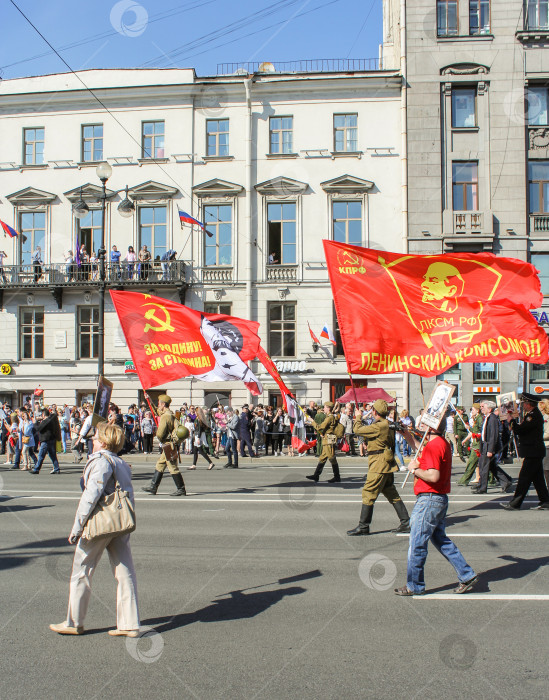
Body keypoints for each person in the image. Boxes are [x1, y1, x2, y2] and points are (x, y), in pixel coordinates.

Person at [49, 421, 139, 637]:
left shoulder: (101, 461)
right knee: (124, 571)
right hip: (120, 522)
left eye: (96, 436)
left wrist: (77, 527)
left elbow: (90, 496)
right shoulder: (121, 462)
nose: (92, 439)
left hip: (99, 523)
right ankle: (129, 624)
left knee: (82, 570)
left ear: (104, 442)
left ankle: (74, 622)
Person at [394, 410, 478, 596]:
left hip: (429, 499)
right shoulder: (440, 443)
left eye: (423, 424)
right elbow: (421, 450)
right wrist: (406, 435)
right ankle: (466, 574)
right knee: (440, 540)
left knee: (417, 543)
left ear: (431, 427)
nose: (419, 426)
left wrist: (414, 470)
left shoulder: (433, 446)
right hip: (438, 498)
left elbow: (433, 475)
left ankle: (415, 586)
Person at [347, 399, 410, 536]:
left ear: (374, 411)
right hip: (384, 461)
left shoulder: (379, 426)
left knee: (368, 493)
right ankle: (406, 522)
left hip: (379, 463)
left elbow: (357, 430)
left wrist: (358, 416)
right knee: (391, 493)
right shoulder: (386, 424)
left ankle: (363, 526)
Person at [502, 393, 549, 511]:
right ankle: (545, 501)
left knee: (524, 478)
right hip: (534, 451)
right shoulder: (532, 414)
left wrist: (511, 421)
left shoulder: (532, 416)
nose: (523, 405)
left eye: (525, 403)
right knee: (538, 479)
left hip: (533, 452)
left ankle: (515, 503)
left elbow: (520, 430)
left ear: (529, 404)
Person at [142, 394, 187, 495]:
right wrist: (149, 399)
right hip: (170, 444)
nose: (158, 406)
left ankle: (181, 489)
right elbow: (156, 411)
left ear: (163, 404)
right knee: (160, 464)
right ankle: (153, 487)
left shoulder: (165, 417)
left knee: (172, 466)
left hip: (168, 445)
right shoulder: (169, 414)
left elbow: (160, 433)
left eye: (159, 404)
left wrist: (161, 439)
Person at [471, 400, 513, 494]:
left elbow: (493, 435)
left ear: (489, 409)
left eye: (483, 407)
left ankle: (482, 487)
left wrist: (490, 450)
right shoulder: (487, 417)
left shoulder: (493, 419)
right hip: (484, 444)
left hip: (489, 446)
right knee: (491, 466)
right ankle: (506, 481)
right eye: (481, 407)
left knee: (484, 467)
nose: (481, 408)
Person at [305, 401, 341, 483]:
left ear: (328, 408)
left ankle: (337, 476)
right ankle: (316, 475)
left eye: (324, 407)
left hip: (328, 440)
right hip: (326, 439)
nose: (323, 409)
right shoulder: (330, 416)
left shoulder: (329, 417)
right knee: (322, 458)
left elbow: (319, 427)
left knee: (332, 458)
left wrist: (311, 420)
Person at [30, 407, 62, 475]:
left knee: (41, 455)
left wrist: (35, 423)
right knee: (53, 455)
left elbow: (39, 428)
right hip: (51, 440)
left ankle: (36, 469)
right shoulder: (51, 420)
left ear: (43, 414)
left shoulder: (46, 421)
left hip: (46, 440)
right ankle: (56, 468)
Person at [458, 403, 483, 486]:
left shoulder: (480, 419)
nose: (471, 411)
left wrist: (469, 428)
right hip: (476, 443)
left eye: (472, 409)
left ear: (477, 410)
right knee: (485, 464)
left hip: (478, 444)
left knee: (471, 463)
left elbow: (479, 432)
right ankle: (491, 480)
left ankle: (464, 480)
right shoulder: (477, 419)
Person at [541, 399, 549, 491]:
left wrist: (538, 436)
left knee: (546, 469)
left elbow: (548, 434)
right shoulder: (544, 417)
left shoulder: (547, 418)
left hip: (547, 445)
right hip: (544, 445)